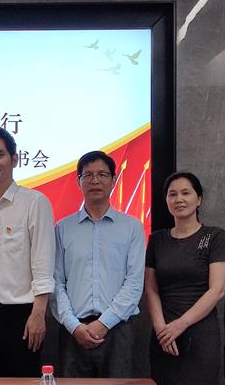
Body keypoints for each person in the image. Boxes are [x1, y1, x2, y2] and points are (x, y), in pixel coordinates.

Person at [0, 126, 55, 377]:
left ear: (14, 159)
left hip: (21, 317)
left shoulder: (35, 202)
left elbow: (43, 263)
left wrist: (38, 314)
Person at [52, 150, 145, 378]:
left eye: (102, 174)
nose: (95, 180)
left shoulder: (132, 227)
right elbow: (56, 282)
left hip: (118, 330)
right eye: (88, 175)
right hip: (73, 332)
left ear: (113, 180)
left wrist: (104, 322)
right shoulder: (62, 228)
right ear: (78, 182)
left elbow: (134, 283)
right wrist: (73, 325)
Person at [144, 172, 225, 385]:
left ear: (199, 199)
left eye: (185, 193)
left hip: (200, 334)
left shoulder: (215, 236)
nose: (179, 199)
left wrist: (180, 325)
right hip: (164, 336)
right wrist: (161, 330)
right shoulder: (157, 239)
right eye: (172, 194)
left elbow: (217, 290)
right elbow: (151, 288)